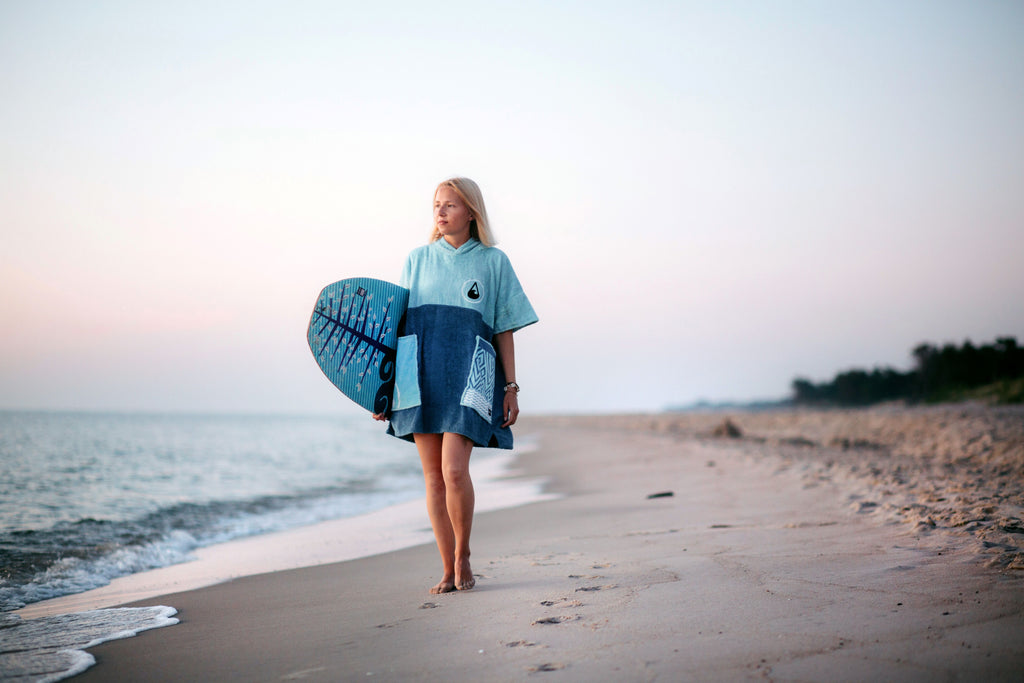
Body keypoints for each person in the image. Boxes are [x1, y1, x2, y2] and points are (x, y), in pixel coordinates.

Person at [374, 177, 538, 594]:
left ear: (471, 212)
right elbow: (396, 329)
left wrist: (511, 387)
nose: (441, 212)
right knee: (433, 477)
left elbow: (503, 327)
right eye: (436, 205)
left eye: (450, 205)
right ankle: (447, 569)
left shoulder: (492, 262)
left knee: (454, 470)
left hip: (472, 376)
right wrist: (382, 389)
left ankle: (464, 553)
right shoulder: (417, 259)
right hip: (420, 374)